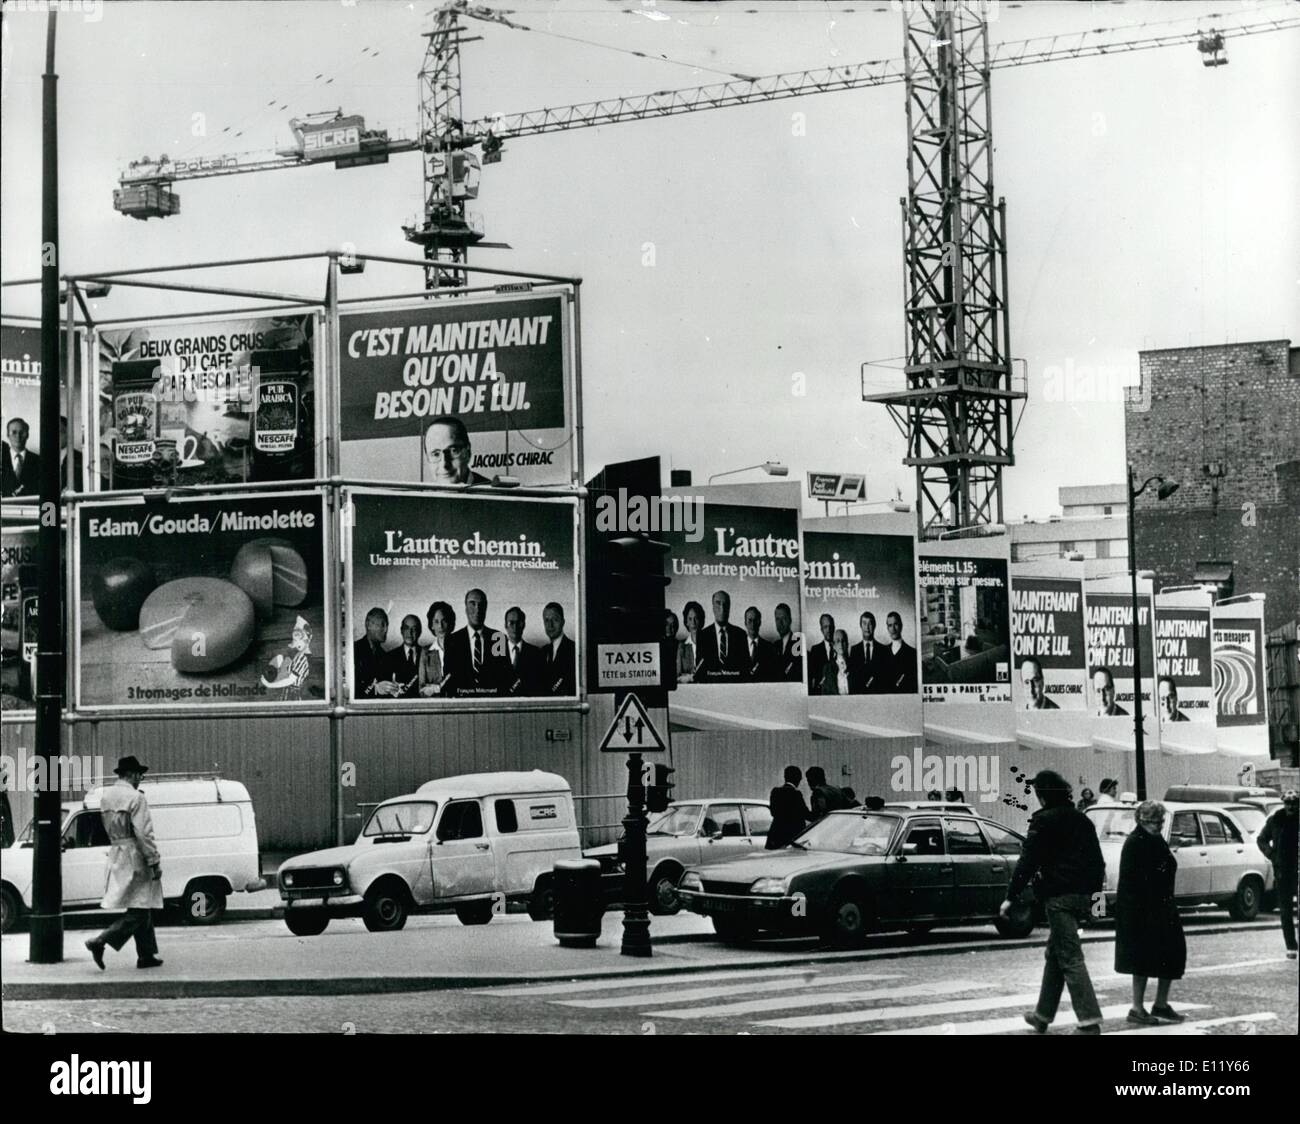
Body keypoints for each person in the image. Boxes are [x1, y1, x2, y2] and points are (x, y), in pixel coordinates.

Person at [1001, 768, 1106, 1034]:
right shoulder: (1082, 820)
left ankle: (1089, 1021)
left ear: (1043, 796)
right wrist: (1097, 904)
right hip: (1083, 896)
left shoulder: (1043, 821)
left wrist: (1010, 897)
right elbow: (1098, 863)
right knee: (1055, 954)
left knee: (1070, 957)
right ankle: (1042, 1015)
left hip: (1058, 897)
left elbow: (1028, 862)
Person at [84, 756, 164, 970]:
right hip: (135, 854)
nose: (141, 779)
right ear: (132, 774)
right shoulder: (136, 797)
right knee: (139, 906)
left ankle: (146, 955)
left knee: (140, 902)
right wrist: (154, 861)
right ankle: (100, 940)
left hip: (117, 852)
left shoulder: (106, 797)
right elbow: (144, 833)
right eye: (140, 775)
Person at [1115, 800, 1187, 1024]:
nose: (1158, 825)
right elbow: (1134, 881)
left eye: (1160, 821)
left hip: (1161, 907)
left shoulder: (1153, 839)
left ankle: (1161, 1004)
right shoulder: (1136, 842)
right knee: (1142, 958)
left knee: (1172, 953)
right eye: (1154, 821)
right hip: (1143, 911)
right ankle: (1137, 1008)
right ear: (1142, 820)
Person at [1257, 790, 1298, 959]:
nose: (1291, 806)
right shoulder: (1275, 820)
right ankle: (1291, 947)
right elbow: (1261, 839)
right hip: (1283, 870)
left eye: (1294, 803)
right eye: (1287, 803)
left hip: (1298, 867)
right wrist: (1272, 855)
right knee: (1285, 910)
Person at [447, 588, 508, 696]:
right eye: (472, 604)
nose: (477, 609)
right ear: (465, 608)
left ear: (486, 608)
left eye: (481, 604)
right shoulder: (453, 640)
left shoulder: (498, 638)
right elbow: (450, 680)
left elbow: (503, 677)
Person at [423, 415, 491, 486]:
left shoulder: (495, 493)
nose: (444, 464)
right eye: (436, 454)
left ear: (467, 452)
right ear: (427, 459)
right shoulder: (422, 495)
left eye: (453, 451)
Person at [696, 590, 747, 681]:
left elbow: (744, 670)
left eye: (725, 604)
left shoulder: (740, 634)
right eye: (718, 603)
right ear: (712, 608)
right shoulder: (702, 636)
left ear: (729, 608)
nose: (722, 608)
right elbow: (701, 671)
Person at [354, 607, 400, 698]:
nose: (386, 630)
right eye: (382, 625)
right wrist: (375, 689)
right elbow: (349, 689)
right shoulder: (353, 651)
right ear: (368, 625)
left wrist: (393, 689)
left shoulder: (385, 657)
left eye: (387, 625)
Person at [503, 605, 544, 696]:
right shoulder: (495, 654)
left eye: (519, 622)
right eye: (511, 623)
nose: (515, 626)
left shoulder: (536, 654)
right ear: (505, 625)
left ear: (524, 625)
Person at [767, 765, 810, 850]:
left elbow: (773, 812)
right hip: (792, 835)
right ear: (798, 778)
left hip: (776, 834)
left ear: (785, 777)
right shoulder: (796, 794)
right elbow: (805, 814)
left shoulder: (775, 791)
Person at [419, 601, 455, 697]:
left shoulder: (460, 648)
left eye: (444, 620)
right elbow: (421, 689)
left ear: (450, 622)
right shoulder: (425, 652)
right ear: (432, 625)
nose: (440, 626)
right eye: (436, 621)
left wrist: (436, 688)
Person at [541, 601, 576, 696]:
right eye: (547, 620)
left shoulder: (574, 650)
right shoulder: (542, 652)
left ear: (563, 622)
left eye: (555, 620)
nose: (550, 625)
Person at [849, 611, 888, 694]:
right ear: (860, 626)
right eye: (864, 623)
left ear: (874, 626)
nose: (867, 627)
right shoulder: (854, 650)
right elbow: (853, 680)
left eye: (870, 624)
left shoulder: (884, 650)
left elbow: (885, 680)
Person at [387, 613, 425, 698]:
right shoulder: (389, 657)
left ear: (419, 632)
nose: (410, 633)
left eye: (414, 629)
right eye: (406, 628)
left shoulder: (428, 655)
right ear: (401, 630)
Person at [2, 417, 40, 498]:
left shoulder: (39, 461)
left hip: (31, 509)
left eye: (22, 432)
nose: (18, 436)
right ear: (7, 435)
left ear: (28, 435)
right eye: (14, 432)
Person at [884, 611, 918, 693]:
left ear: (901, 626)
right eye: (890, 625)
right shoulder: (882, 652)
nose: (893, 629)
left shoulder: (912, 653)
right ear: (887, 628)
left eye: (896, 624)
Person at [742, 606, 777, 682]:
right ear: (745, 623)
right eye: (750, 620)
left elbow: (772, 676)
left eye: (756, 620)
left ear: (760, 622)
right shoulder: (736, 647)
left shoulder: (770, 648)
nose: (753, 624)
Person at [773, 602, 802, 682]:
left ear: (790, 620)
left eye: (783, 618)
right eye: (777, 619)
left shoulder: (799, 644)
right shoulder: (774, 646)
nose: (780, 623)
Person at [807, 613, 836, 695]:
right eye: (825, 627)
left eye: (831, 626)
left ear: (834, 628)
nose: (829, 630)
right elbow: (810, 677)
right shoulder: (815, 650)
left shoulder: (840, 649)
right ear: (821, 630)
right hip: (820, 695)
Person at [678, 600, 705, 684]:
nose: (693, 623)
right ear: (686, 622)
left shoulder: (710, 644)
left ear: (701, 620)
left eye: (696, 618)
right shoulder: (681, 647)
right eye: (690, 619)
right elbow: (677, 677)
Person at [821, 629, 852, 696]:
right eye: (838, 641)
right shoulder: (828, 668)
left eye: (843, 641)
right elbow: (824, 693)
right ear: (833, 646)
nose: (841, 644)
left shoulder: (855, 665)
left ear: (847, 644)